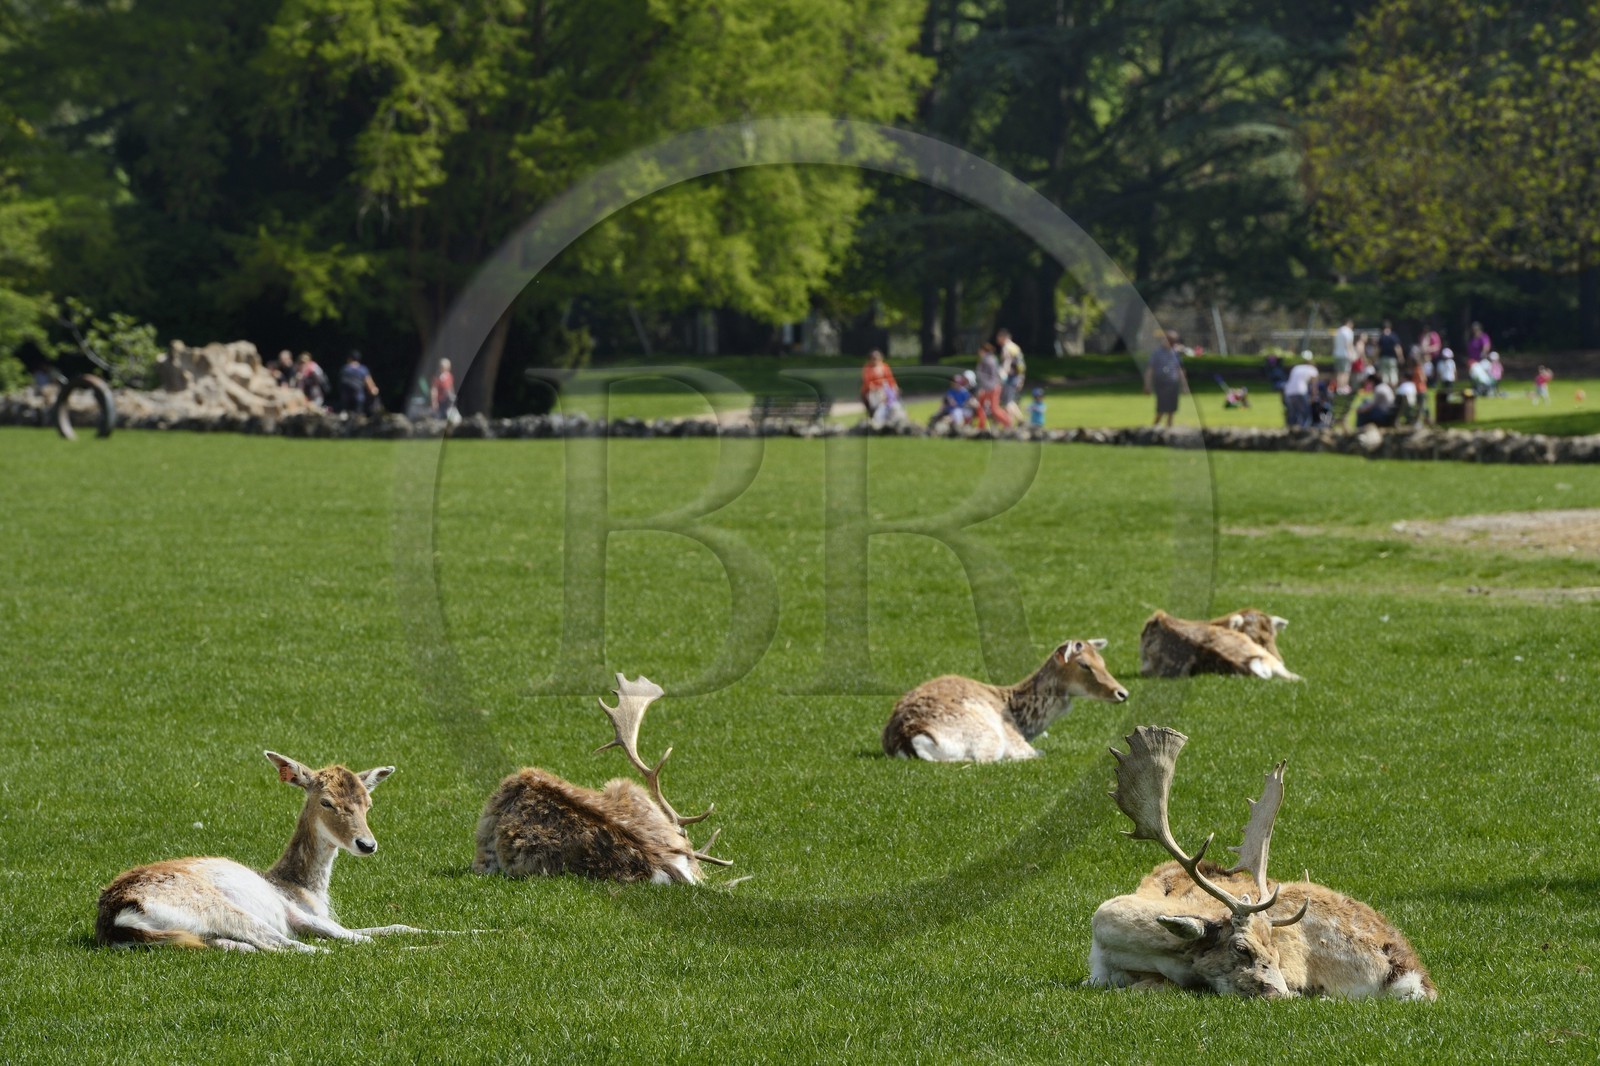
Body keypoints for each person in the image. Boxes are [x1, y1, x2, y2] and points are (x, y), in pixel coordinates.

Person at [1144, 329, 1187, 427]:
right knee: (1162, 407)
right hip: (1161, 383)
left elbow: (1180, 369)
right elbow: (1150, 370)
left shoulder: (1175, 353)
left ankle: (1169, 426)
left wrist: (1185, 385)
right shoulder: (1157, 353)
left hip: (1173, 382)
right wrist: (1147, 384)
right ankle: (1154, 427)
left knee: (1172, 408)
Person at [973, 343, 1010, 428]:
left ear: (983, 350)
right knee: (982, 407)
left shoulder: (985, 360)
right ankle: (981, 426)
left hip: (989, 387)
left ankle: (1007, 422)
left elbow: (983, 376)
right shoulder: (993, 358)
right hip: (994, 386)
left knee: (993, 409)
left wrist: (982, 388)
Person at [1283, 350, 1319, 428]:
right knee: (1305, 414)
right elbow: (1314, 386)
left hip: (1288, 392)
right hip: (1300, 391)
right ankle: (1304, 432)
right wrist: (1313, 397)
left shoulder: (1296, 368)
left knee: (1292, 415)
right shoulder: (1312, 369)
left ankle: (1291, 432)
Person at [997, 329, 1026, 422]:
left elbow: (1007, 361)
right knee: (1010, 400)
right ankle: (1012, 421)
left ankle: (1020, 421)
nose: (997, 340)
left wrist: (1002, 373)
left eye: (999, 338)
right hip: (1018, 376)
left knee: (1007, 401)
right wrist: (1022, 378)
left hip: (1010, 377)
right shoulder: (1015, 347)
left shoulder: (1007, 347)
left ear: (1003, 337)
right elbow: (1021, 365)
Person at [339, 350, 379, 416]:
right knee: (357, 419)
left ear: (349, 358)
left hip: (345, 399)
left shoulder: (344, 369)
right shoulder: (363, 370)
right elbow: (370, 387)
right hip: (358, 398)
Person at [1376, 321, 1403, 387]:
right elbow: (1397, 348)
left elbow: (1378, 349)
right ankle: (1393, 389)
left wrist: (1375, 358)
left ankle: (1386, 389)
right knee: (1393, 373)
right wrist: (1400, 357)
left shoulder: (1382, 337)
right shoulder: (1393, 336)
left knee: (1384, 374)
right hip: (1392, 358)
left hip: (1383, 358)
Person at [1332, 317, 1355, 389]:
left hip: (1337, 354)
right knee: (1345, 372)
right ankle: (1344, 387)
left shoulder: (1338, 331)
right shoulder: (1349, 331)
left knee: (1339, 372)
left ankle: (1339, 387)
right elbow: (1348, 344)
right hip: (1345, 355)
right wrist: (1351, 354)